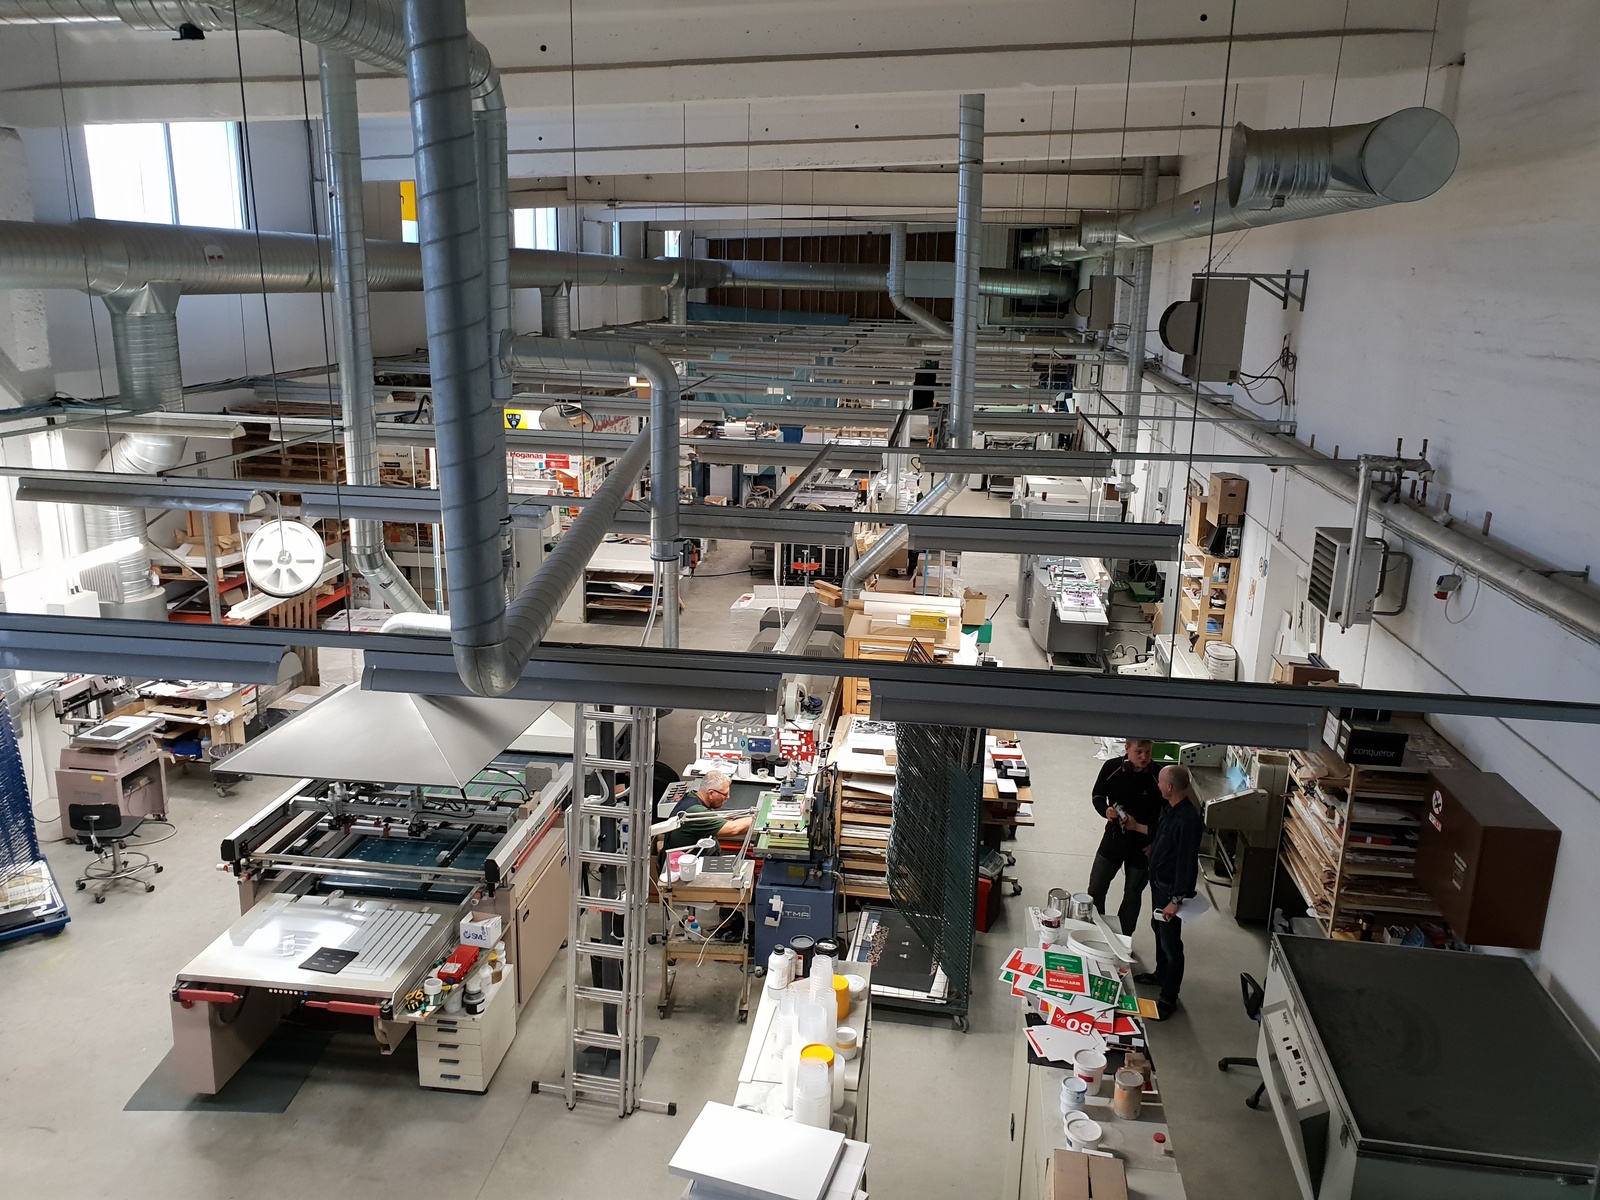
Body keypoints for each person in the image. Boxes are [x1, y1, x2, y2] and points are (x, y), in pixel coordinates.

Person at [1123, 764, 1203, 1019]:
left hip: (1170, 891)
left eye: (1160, 782)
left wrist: (1176, 900)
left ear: (1169, 786)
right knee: (1158, 928)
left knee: (1171, 944)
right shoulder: (1171, 809)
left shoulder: (1188, 820)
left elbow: (1186, 862)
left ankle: (1169, 997)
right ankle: (1161, 973)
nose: (1157, 786)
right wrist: (1146, 838)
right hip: (1159, 885)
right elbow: (1163, 835)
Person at [1085, 738, 1164, 935]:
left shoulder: (1159, 776)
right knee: (1096, 888)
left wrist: (1155, 843)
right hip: (1114, 838)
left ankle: (1123, 938)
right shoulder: (1111, 768)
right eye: (1139, 752)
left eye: (1148, 752)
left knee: (1132, 895)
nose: (1144, 757)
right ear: (1127, 749)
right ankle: (1096, 932)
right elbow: (1097, 795)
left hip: (1142, 846)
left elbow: (1167, 819)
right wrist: (1106, 810)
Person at [664, 770, 752, 850]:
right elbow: (734, 829)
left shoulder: (690, 797)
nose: (728, 797)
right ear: (711, 794)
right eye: (725, 794)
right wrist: (758, 817)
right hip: (689, 860)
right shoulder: (696, 811)